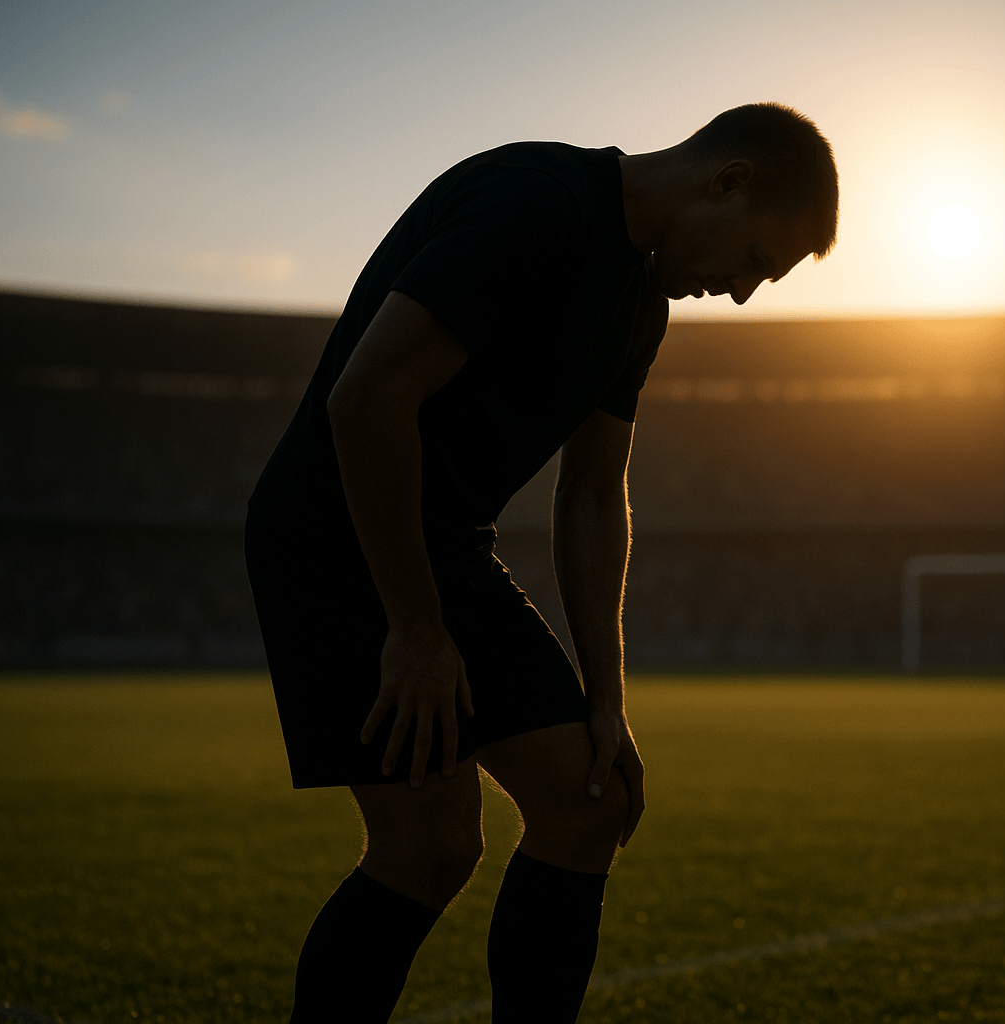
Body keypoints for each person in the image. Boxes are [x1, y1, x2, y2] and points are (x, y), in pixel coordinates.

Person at [243, 102, 838, 1023]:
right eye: (756, 260)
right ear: (730, 180)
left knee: (590, 804)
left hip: (446, 547)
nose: (744, 292)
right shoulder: (536, 202)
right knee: (428, 847)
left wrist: (607, 699)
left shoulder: (640, 309)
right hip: (336, 533)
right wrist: (414, 627)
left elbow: (595, 497)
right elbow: (366, 400)